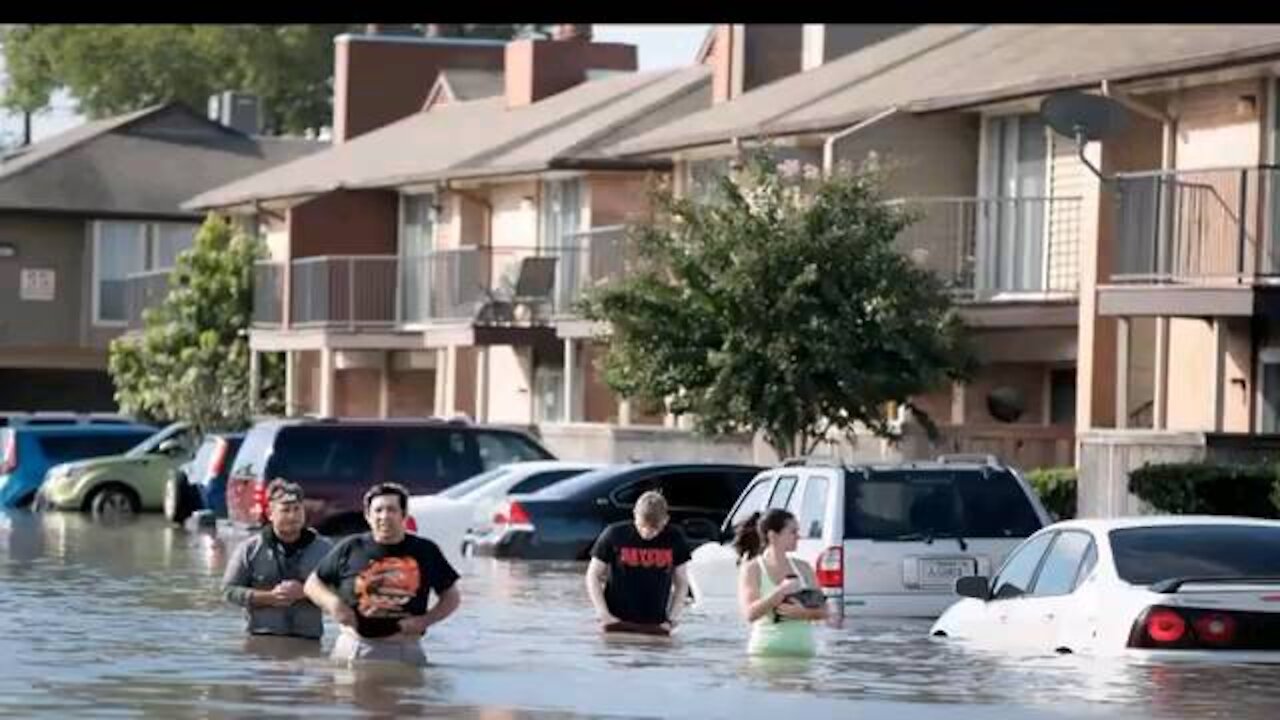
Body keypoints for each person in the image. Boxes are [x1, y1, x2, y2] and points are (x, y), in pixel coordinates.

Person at [305, 482, 461, 666]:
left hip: (404, 648)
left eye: (391, 510)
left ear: (404, 515)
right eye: (378, 510)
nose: (384, 516)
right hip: (353, 646)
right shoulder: (350, 547)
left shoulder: (425, 550)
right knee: (345, 695)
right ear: (368, 516)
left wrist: (425, 621)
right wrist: (333, 604)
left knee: (412, 694)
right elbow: (312, 584)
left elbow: (451, 597)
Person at [222, 479, 333, 642]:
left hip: (308, 641)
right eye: (285, 510)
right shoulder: (249, 549)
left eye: (297, 509)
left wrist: (306, 592)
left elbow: (343, 589)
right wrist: (269, 597)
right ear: (270, 513)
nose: (292, 515)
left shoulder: (325, 550)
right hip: (261, 640)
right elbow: (229, 591)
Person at [585, 490, 691, 635]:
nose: (647, 533)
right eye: (642, 526)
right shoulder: (614, 534)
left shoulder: (675, 538)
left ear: (665, 520)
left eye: (655, 528)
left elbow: (682, 582)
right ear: (635, 515)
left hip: (655, 624)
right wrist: (603, 613)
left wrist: (672, 619)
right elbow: (593, 575)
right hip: (616, 621)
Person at [735, 509, 829, 657]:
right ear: (773, 536)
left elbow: (825, 611)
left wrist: (802, 613)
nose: (798, 536)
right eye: (793, 532)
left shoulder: (803, 568)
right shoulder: (753, 569)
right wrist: (780, 592)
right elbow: (750, 614)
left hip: (803, 654)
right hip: (766, 654)